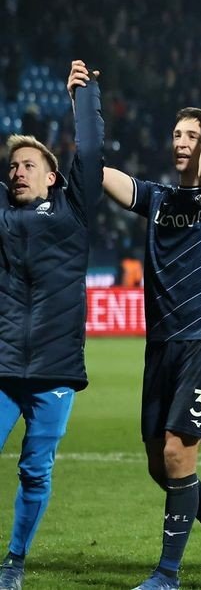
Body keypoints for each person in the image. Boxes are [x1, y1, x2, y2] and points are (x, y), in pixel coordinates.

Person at [101, 94, 201, 590]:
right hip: (162, 342)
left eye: (191, 136)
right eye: (177, 135)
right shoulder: (159, 198)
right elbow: (102, 174)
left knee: (178, 453)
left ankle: (167, 573)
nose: (181, 143)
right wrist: (86, 105)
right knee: (157, 462)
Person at [0, 60, 103, 590]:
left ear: (51, 175)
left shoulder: (72, 211)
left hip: (55, 371)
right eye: (11, 166)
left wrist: (82, 97)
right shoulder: (1, 216)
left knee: (34, 471)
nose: (17, 171)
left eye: (27, 164)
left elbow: (91, 152)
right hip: (2, 367)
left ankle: (13, 563)